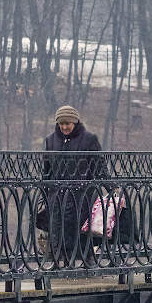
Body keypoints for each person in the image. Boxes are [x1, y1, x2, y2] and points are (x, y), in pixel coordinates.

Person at [41, 104, 103, 265]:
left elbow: (99, 167)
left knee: (81, 231)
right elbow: (46, 170)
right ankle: (60, 264)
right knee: (58, 231)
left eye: (67, 123)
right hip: (57, 195)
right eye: (61, 123)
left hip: (81, 196)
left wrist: (111, 187)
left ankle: (86, 262)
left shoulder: (89, 140)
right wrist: (45, 193)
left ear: (75, 122)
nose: (64, 127)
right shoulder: (50, 141)